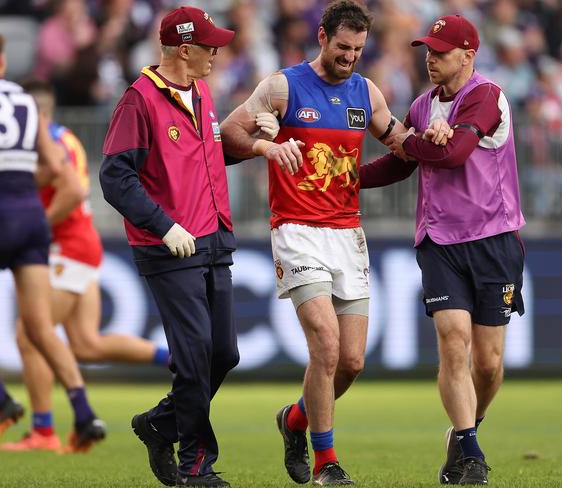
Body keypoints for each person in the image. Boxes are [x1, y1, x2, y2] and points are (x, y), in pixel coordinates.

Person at [220, 1, 411, 485]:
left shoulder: (367, 92)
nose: (350, 57)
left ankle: (295, 420)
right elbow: (226, 137)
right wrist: (267, 145)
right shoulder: (282, 86)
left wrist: (434, 138)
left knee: (351, 361)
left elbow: (403, 150)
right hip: (297, 231)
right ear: (322, 37)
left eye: (359, 49)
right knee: (325, 347)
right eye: (343, 47)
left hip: (347, 233)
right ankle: (328, 463)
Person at [359, 14, 526, 485]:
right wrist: (346, 180)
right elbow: (401, 165)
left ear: (468, 55)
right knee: (454, 342)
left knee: (489, 364)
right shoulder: (420, 107)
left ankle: (463, 431)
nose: (430, 59)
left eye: (441, 52)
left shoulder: (487, 97)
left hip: (494, 240)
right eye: (428, 51)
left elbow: (451, 156)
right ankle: (471, 451)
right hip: (439, 241)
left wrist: (414, 141)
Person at [0, 28, 105, 454]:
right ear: (3, 62)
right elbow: (59, 168)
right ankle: (84, 415)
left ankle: (1, 401)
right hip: (33, 218)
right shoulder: (27, 101)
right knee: (40, 328)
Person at [99, 6, 239, 487]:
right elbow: (115, 177)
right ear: (184, 49)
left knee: (223, 354)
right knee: (196, 353)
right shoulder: (139, 100)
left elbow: (205, 158)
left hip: (212, 238)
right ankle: (196, 464)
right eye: (210, 46)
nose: (217, 53)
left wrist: (256, 144)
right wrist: (164, 226)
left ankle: (161, 424)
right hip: (171, 247)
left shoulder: (200, 91)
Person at [0, 80, 170, 453]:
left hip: (67, 246)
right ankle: (177, 359)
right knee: (86, 344)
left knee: (30, 333)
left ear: (34, 111)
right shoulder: (62, 136)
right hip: (80, 244)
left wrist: (33, 229)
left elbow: (74, 192)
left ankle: (43, 431)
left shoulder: (47, 140)